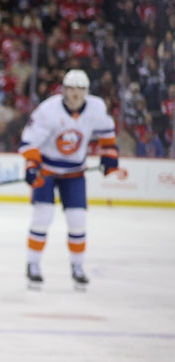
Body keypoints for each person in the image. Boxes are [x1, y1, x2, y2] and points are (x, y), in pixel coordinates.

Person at [19, 69, 118, 289]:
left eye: (80, 89)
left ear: (86, 91)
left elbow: (107, 131)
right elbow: (29, 141)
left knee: (78, 221)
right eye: (71, 88)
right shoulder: (48, 110)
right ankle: (33, 265)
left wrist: (109, 155)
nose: (75, 93)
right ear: (63, 89)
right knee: (42, 218)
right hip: (47, 171)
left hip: (74, 173)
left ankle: (77, 267)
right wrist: (32, 165)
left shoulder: (96, 107)